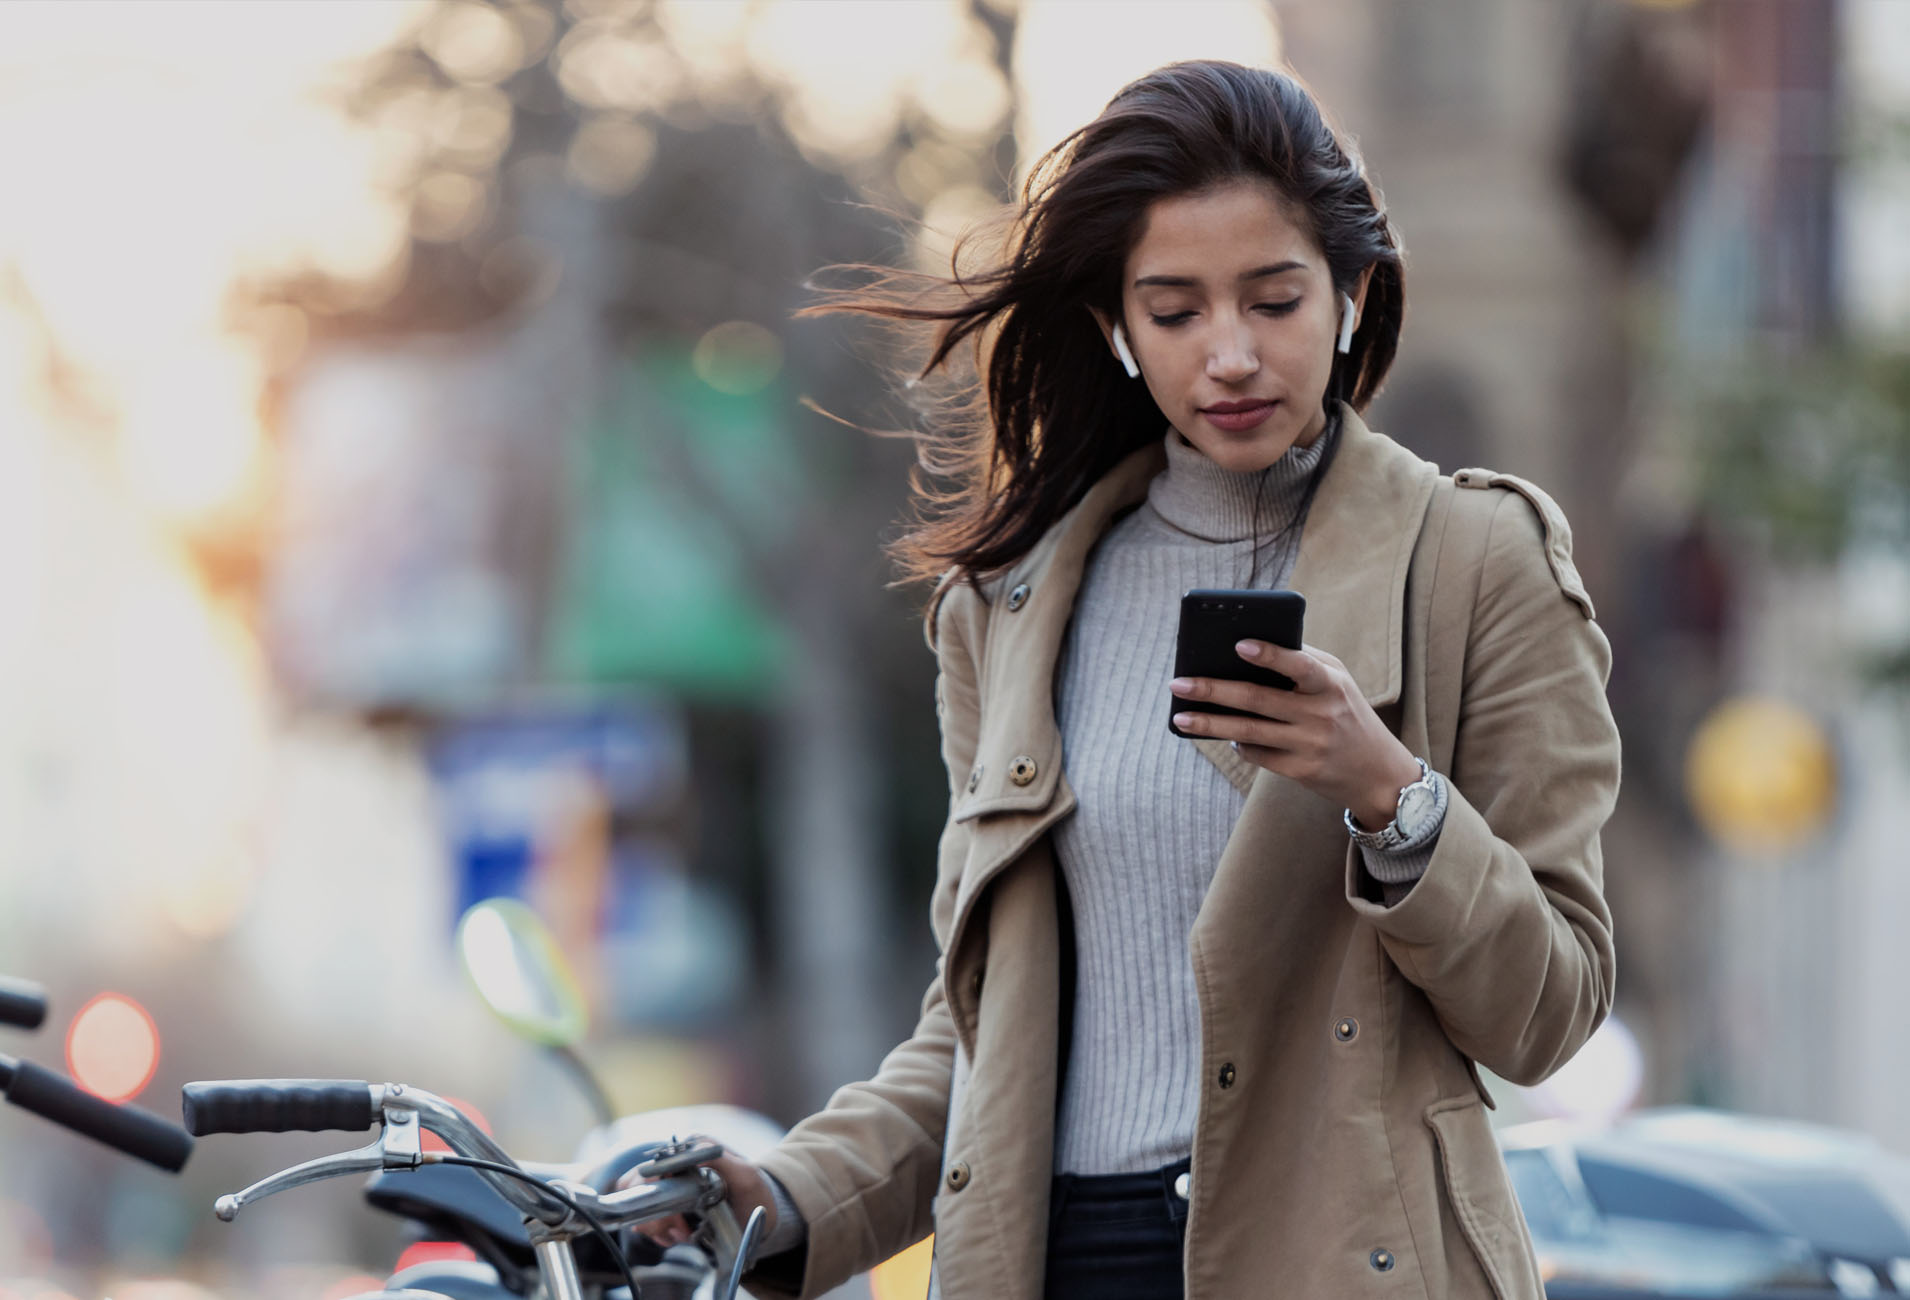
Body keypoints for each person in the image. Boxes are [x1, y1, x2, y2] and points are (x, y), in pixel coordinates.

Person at [639, 59, 1618, 1300]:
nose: (1230, 355)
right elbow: (981, 1035)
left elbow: (1549, 1011)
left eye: (1273, 300)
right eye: (1174, 311)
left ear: (1352, 295)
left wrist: (1389, 796)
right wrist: (784, 1196)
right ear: (1114, 326)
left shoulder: (1476, 560)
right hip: (1059, 1262)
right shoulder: (1005, 607)